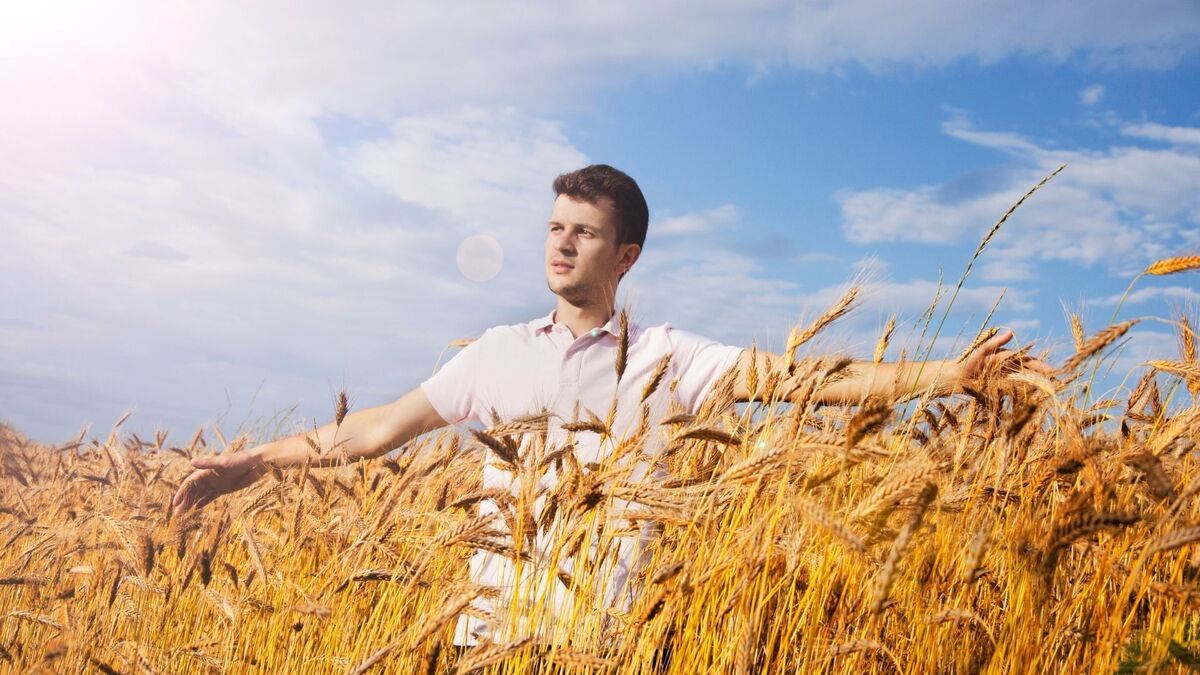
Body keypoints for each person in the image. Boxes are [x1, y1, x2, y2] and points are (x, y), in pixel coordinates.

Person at [172, 163, 1050, 657]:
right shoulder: (495, 351)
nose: (561, 242)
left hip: (609, 643)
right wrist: (249, 465)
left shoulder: (672, 357)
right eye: (554, 226)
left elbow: (806, 377)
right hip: (486, 640)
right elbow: (367, 430)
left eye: (583, 231)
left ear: (624, 254)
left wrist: (945, 375)